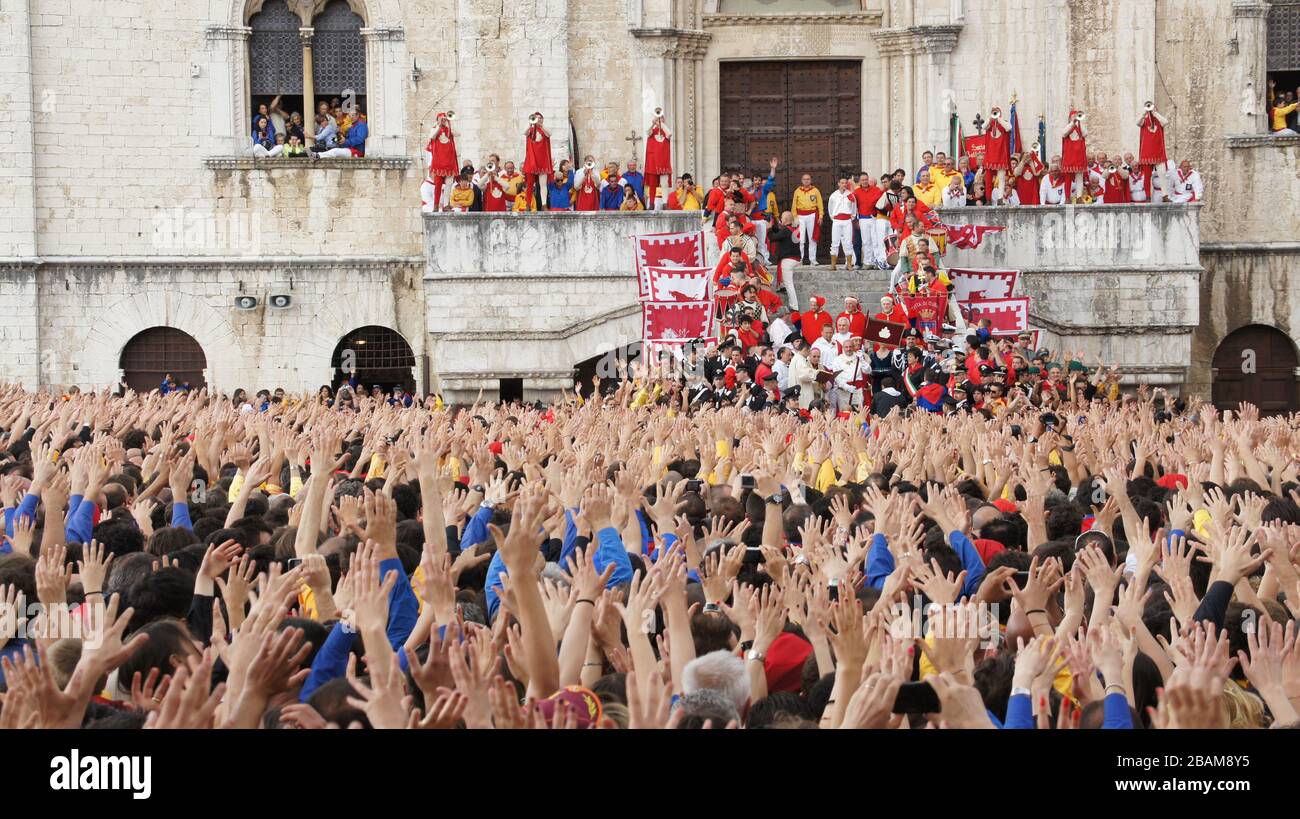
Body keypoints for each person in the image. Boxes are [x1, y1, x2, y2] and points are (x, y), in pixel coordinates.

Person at [422, 113, 459, 214]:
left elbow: (458, 134)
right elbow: (432, 137)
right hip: (439, 162)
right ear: (437, 119)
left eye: (444, 119)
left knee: (449, 184)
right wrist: (439, 126)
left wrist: (450, 124)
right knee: (438, 185)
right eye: (441, 119)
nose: (443, 120)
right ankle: (436, 205)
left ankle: (446, 205)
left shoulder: (449, 129)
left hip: (450, 162)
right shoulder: (434, 128)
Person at [825, 177, 858, 271]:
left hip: (847, 220)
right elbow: (830, 208)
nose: (844, 184)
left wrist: (850, 217)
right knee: (835, 242)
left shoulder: (850, 195)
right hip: (837, 220)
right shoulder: (834, 195)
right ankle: (833, 264)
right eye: (842, 183)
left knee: (848, 242)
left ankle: (849, 264)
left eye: (845, 183)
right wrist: (834, 218)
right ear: (838, 184)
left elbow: (853, 208)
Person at [522, 112, 553, 209]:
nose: (538, 119)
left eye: (540, 118)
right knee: (530, 183)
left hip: (542, 160)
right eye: (536, 118)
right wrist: (530, 124)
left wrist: (541, 125)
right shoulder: (531, 130)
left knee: (543, 184)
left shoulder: (544, 130)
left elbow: (550, 133)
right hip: (532, 160)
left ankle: (544, 205)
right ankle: (528, 204)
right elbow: (524, 132)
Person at [791, 174, 824, 265]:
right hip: (800, 216)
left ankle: (812, 259)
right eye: (804, 179)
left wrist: (820, 216)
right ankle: (799, 259)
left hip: (812, 215)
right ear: (801, 180)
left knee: (812, 238)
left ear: (811, 180)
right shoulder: (797, 191)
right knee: (800, 239)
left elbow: (820, 204)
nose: (806, 181)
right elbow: (794, 205)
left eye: (808, 179)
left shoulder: (815, 190)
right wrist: (794, 217)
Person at [644, 111, 672, 207]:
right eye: (658, 118)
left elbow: (670, 133)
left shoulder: (666, 131)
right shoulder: (652, 132)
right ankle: (651, 203)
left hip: (663, 162)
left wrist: (662, 124)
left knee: (664, 184)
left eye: (661, 118)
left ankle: (665, 203)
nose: (659, 120)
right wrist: (653, 123)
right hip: (653, 162)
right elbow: (647, 132)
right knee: (652, 185)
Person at [1060, 110, 1088, 203]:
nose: (1076, 117)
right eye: (1073, 116)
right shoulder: (1068, 127)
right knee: (1068, 177)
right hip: (1069, 155)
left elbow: (1085, 134)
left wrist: (1079, 123)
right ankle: (1067, 198)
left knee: (1079, 176)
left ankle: (1079, 197)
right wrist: (1073, 122)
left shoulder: (1080, 127)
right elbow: (1064, 133)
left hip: (1079, 155)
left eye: (1077, 116)